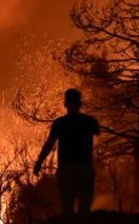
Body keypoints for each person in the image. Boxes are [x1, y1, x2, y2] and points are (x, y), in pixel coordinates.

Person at [33, 88, 100, 216]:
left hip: (66, 169)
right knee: (84, 209)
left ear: (65, 104)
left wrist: (39, 163)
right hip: (84, 169)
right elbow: (97, 131)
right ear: (80, 104)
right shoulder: (89, 122)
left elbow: (49, 145)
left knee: (67, 207)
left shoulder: (59, 123)